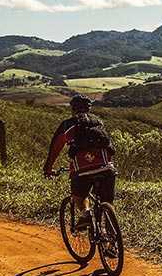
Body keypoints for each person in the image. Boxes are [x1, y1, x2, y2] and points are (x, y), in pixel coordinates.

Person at [43, 94, 117, 232]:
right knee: (107, 203)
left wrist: (48, 168)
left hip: (82, 171)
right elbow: (109, 147)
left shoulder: (67, 125)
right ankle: (112, 243)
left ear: (72, 109)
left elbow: (55, 149)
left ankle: (86, 215)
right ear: (89, 108)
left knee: (78, 196)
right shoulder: (98, 122)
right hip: (107, 168)